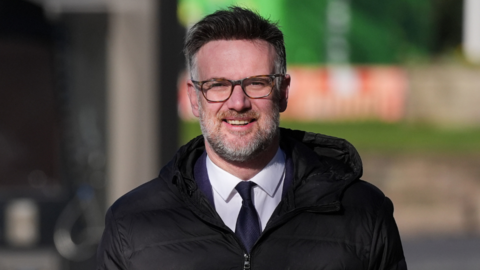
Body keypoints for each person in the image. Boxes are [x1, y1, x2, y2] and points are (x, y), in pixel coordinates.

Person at [96, 6, 407, 270]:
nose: (238, 102)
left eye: (257, 83)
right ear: (194, 98)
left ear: (283, 91)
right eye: (218, 84)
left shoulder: (363, 212)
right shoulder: (132, 224)